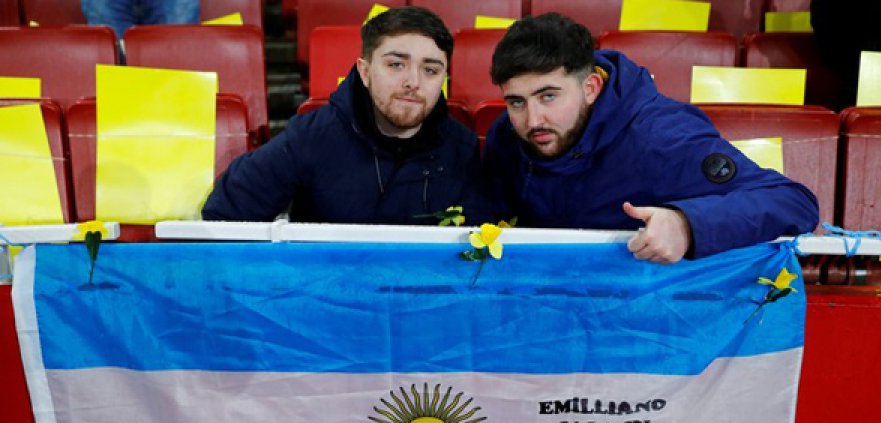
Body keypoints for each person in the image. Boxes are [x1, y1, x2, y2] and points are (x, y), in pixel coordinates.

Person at [482, 13, 819, 263]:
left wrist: (687, 224)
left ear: (590, 88)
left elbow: (792, 201)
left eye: (548, 96)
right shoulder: (508, 134)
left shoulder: (662, 136)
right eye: (516, 102)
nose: (532, 119)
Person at [202, 7, 491, 226]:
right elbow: (226, 214)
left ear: (443, 77)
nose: (413, 81)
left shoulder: (461, 147)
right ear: (364, 72)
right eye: (396, 64)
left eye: (430, 70)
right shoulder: (312, 136)